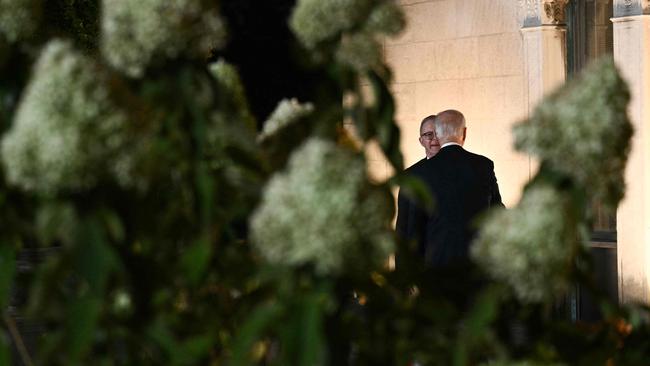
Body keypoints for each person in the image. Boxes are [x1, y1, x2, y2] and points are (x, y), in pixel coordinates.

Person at [419, 109, 504, 268]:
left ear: (440, 134)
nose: (433, 139)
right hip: (440, 271)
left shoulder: (482, 166)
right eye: (427, 135)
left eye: (434, 134)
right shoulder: (483, 165)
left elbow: (496, 213)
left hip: (467, 267)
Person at [395, 115, 439, 251]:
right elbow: (403, 225)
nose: (434, 139)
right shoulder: (410, 175)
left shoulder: (464, 168)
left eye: (437, 133)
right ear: (421, 141)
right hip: (422, 256)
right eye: (428, 135)